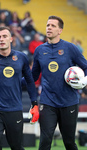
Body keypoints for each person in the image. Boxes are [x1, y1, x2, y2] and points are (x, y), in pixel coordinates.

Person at [31, 15, 87, 150]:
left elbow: (85, 67)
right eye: (47, 25)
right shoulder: (39, 50)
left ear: (60, 30)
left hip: (69, 102)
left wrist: (82, 82)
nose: (49, 28)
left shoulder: (70, 48)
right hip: (47, 102)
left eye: (53, 26)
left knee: (69, 142)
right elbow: (33, 76)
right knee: (44, 141)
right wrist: (13, 82)